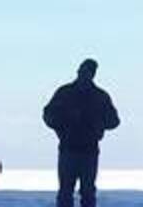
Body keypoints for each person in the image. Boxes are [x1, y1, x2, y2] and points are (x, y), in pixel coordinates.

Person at [43, 59, 121, 207]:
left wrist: (98, 123)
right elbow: (48, 115)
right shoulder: (65, 93)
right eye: (81, 71)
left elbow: (114, 120)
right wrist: (63, 125)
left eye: (87, 72)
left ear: (92, 74)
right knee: (66, 192)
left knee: (88, 193)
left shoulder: (100, 96)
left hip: (89, 151)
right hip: (68, 150)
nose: (83, 75)